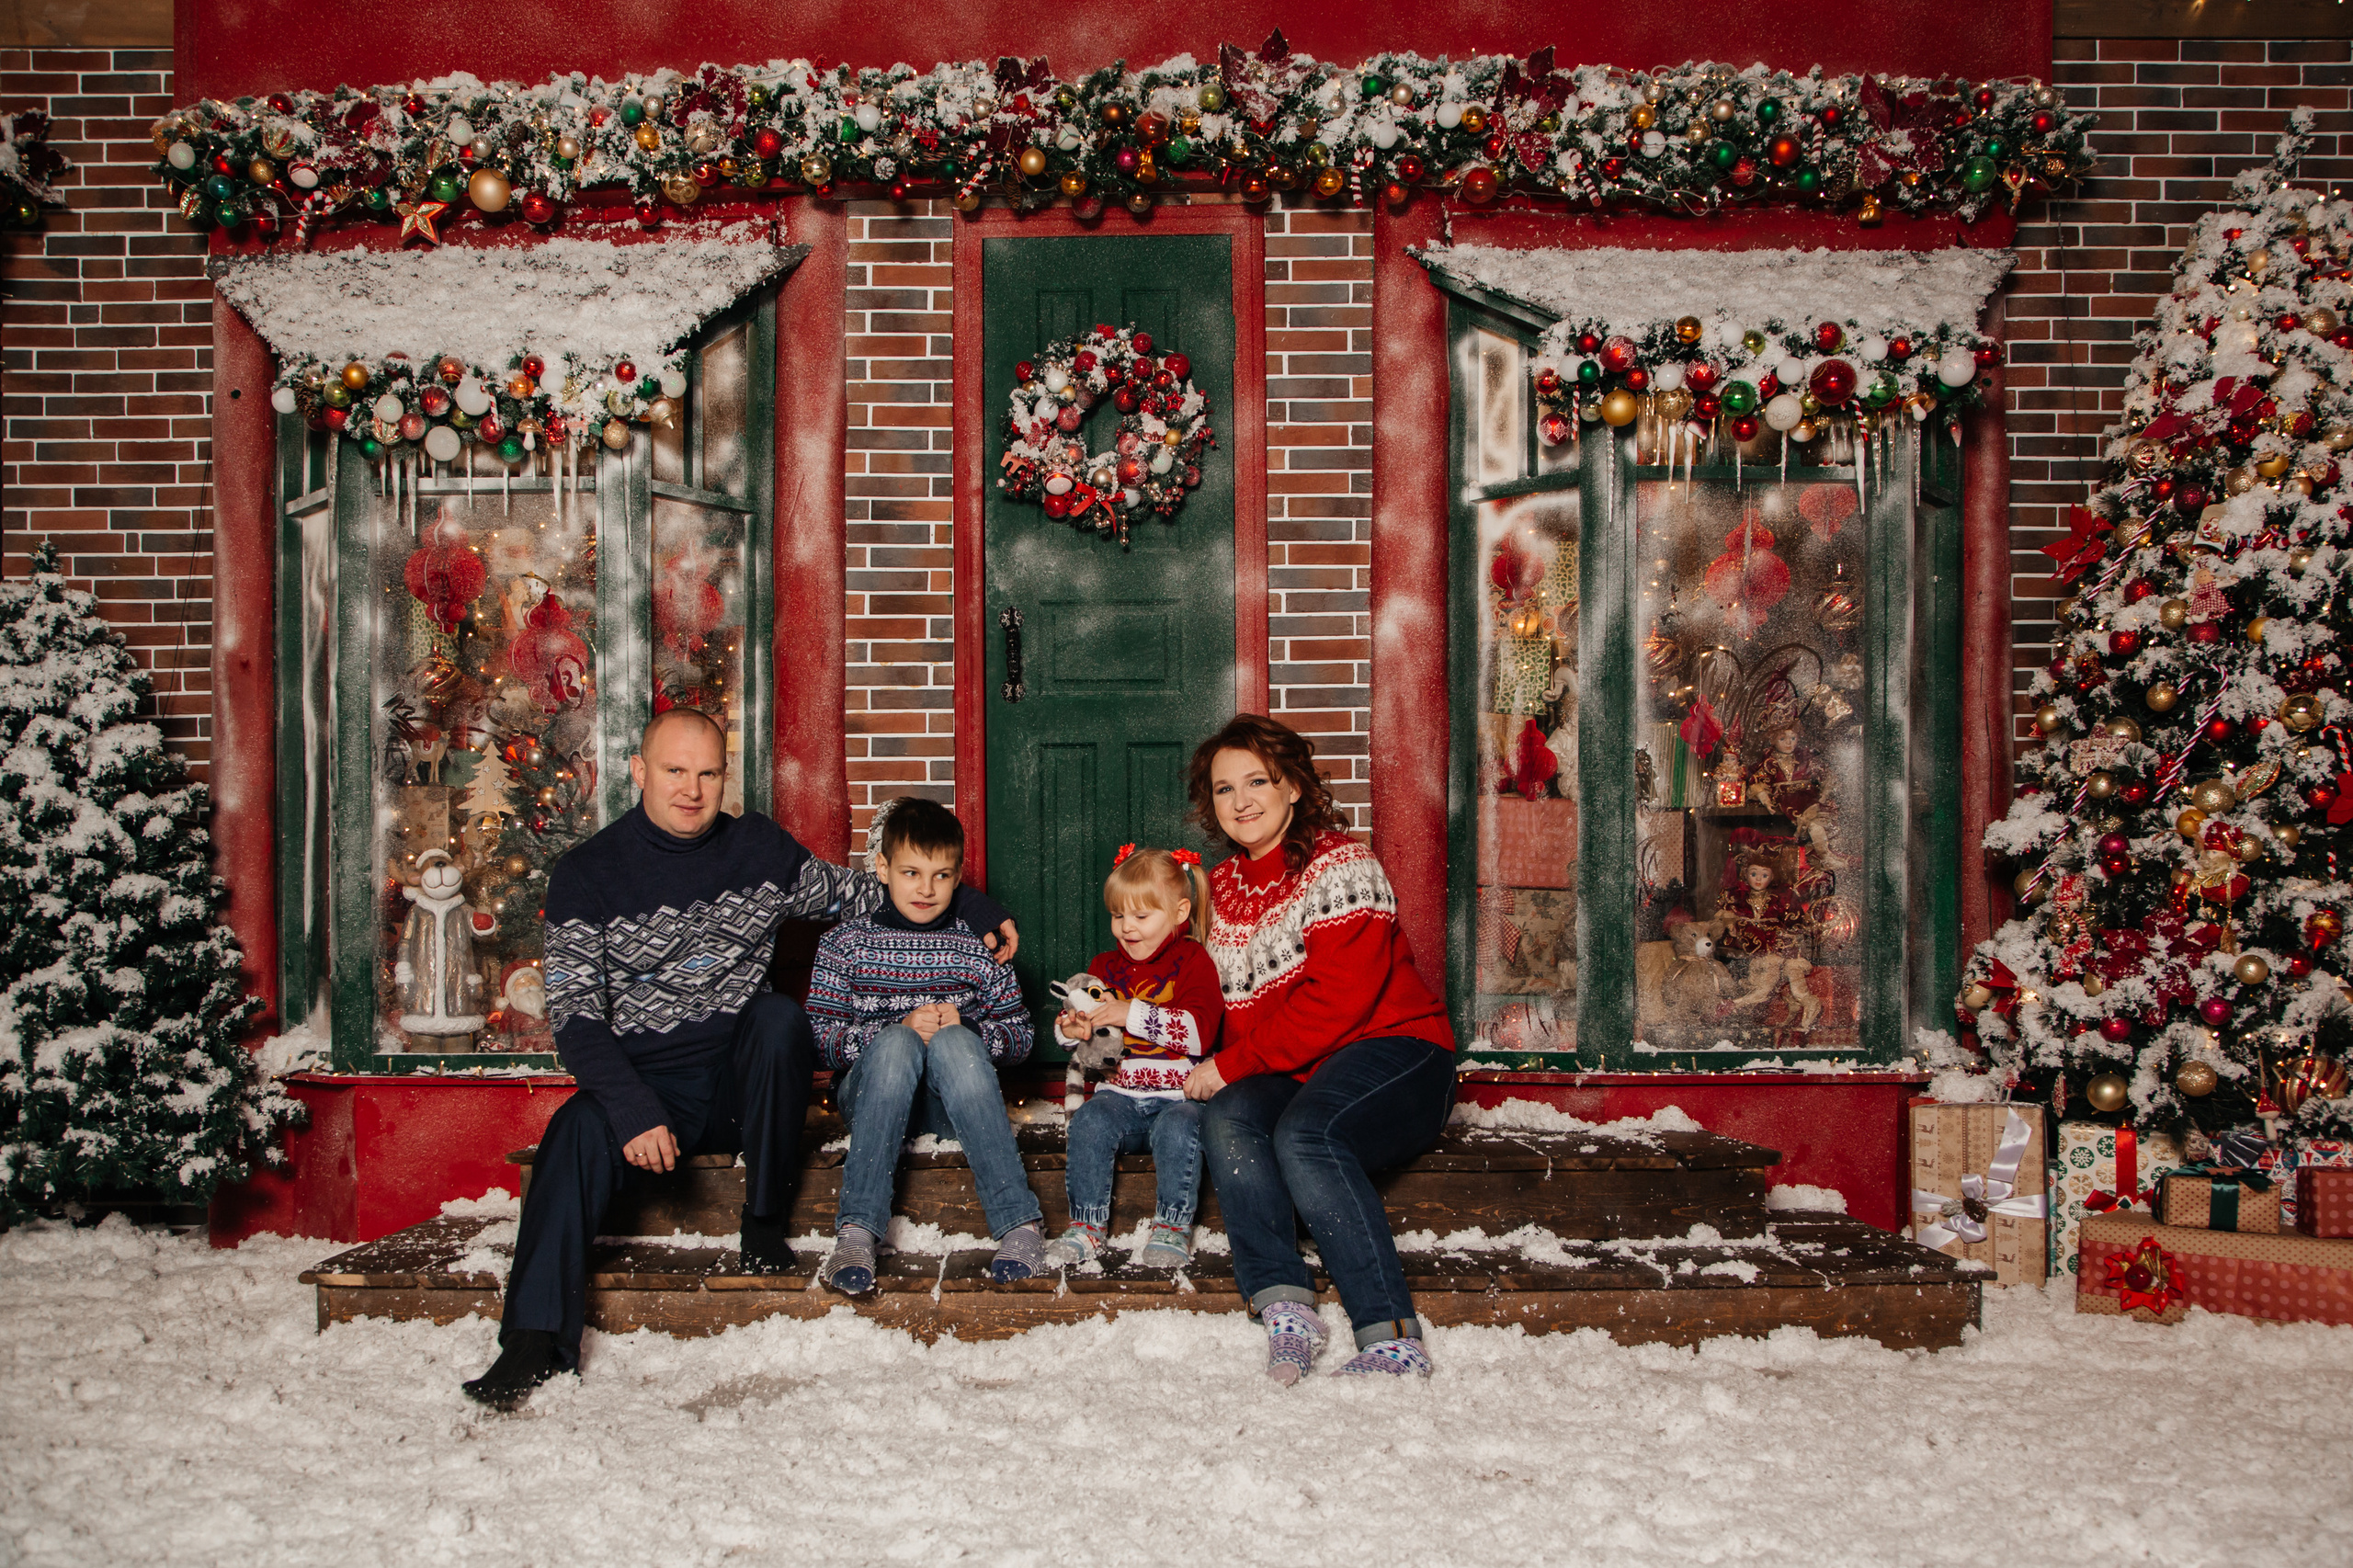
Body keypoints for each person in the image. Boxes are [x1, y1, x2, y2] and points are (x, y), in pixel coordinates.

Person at [460, 714, 1017, 1411]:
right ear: (639, 771)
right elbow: (574, 1017)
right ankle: (533, 1343)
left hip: (743, 1085)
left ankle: (762, 1223)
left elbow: (877, 890)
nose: (692, 790)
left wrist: (977, 903)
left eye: (708, 774)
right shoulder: (587, 874)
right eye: (674, 771)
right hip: (648, 1088)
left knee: (779, 1016)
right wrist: (633, 1110)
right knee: (571, 1132)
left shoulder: (758, 849)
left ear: (725, 777)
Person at [1184, 714, 1456, 1382]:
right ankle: (1285, 1307)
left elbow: (1339, 1000)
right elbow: (1198, 996)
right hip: (1300, 1068)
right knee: (1229, 1116)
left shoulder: (1343, 863)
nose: (1242, 801)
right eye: (1224, 790)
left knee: (1307, 1135)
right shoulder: (1213, 892)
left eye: (1258, 781)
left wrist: (1230, 1065)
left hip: (1396, 1052)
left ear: (1295, 787)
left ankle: (1391, 1336)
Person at [805, 797, 1046, 1292]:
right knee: (897, 1043)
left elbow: (1021, 1035)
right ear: (882, 868)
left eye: (941, 875)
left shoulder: (977, 947)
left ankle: (1020, 1225)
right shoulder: (844, 944)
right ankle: (857, 1232)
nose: (925, 888)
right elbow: (818, 1040)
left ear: (958, 878)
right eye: (911, 873)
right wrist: (899, 1030)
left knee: (957, 1040)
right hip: (872, 1099)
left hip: (950, 1107)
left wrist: (972, 1027)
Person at [1047, 845, 1225, 1270]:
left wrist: (1133, 1012)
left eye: (1142, 917)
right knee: (1090, 1120)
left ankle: (1172, 1225)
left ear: (1179, 913)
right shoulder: (1104, 966)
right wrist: (1070, 1031)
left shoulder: (1193, 961)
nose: (1127, 928)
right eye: (1118, 916)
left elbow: (1200, 1033)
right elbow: (1080, 1025)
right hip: (1119, 1095)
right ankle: (1086, 1225)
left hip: (1177, 1096)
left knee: (1183, 1129)